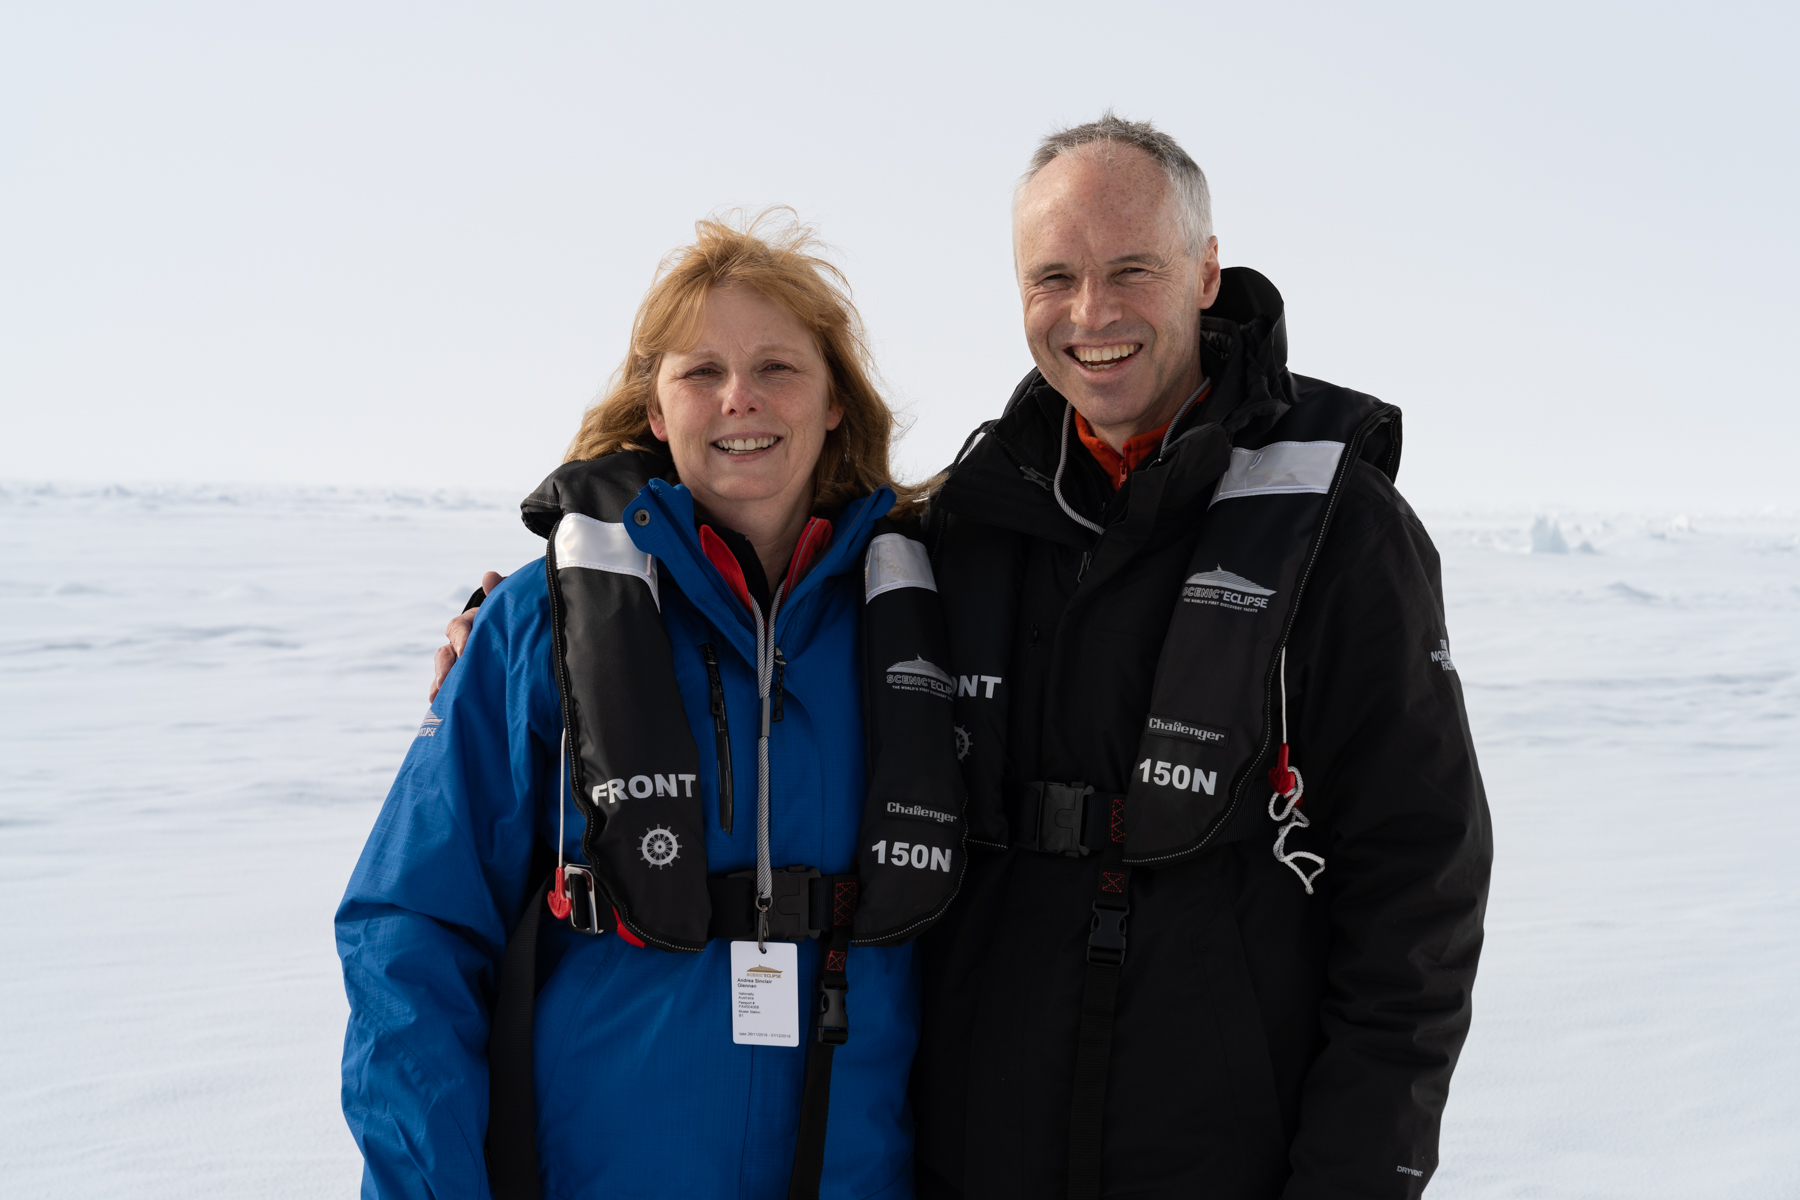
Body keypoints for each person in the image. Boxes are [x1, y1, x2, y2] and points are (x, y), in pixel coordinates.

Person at [434, 115, 1493, 1199]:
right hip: (971, 1157)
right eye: (1055, 276)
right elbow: (755, 531)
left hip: (1218, 1152)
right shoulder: (971, 524)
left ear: (1206, 272)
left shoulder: (1336, 530)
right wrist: (525, 617)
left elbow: (1418, 891)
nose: (1093, 312)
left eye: (1132, 268)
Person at [339, 213, 967, 1200]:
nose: (739, 401)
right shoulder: (542, 620)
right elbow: (409, 925)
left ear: (836, 400)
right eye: (700, 372)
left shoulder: (931, 615)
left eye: (778, 367)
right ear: (654, 406)